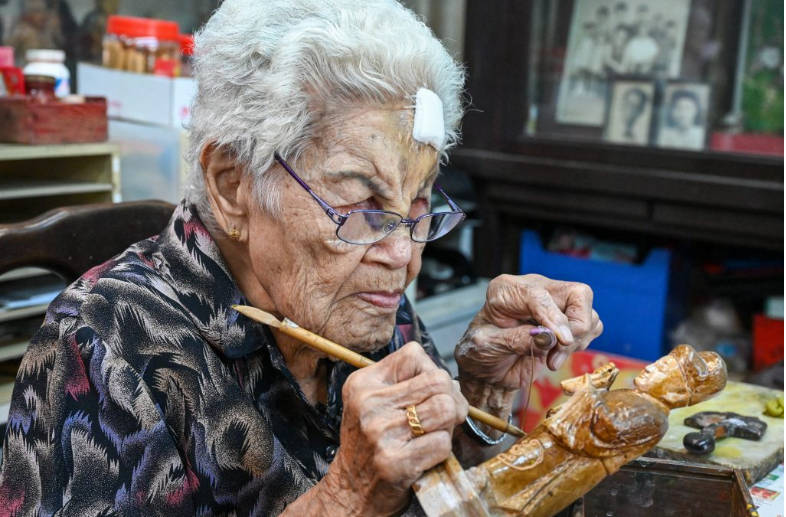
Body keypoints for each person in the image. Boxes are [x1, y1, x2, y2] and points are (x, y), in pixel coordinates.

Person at [0, 1, 603, 515]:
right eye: (361, 204)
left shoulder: (362, 292)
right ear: (232, 184)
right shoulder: (98, 351)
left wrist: (478, 393)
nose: (402, 255)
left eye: (419, 206)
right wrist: (346, 499)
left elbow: (433, 491)